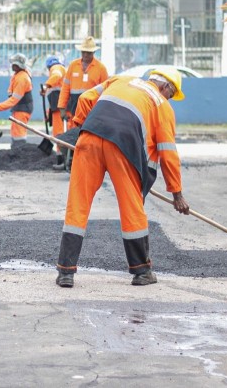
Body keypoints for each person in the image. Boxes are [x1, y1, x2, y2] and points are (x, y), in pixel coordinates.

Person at [55, 67, 190, 289]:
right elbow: (168, 153)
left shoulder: (120, 79)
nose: (170, 99)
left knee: (77, 204)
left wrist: (82, 126)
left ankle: (65, 272)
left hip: (89, 137)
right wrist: (177, 194)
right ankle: (141, 271)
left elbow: (87, 98)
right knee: (132, 207)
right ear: (166, 87)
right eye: (172, 94)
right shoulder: (161, 105)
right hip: (123, 148)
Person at [57, 36, 109, 125]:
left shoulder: (101, 68)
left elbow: (106, 92)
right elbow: (65, 88)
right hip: (74, 109)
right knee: (73, 136)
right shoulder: (73, 65)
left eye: (88, 53)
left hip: (92, 111)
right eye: (83, 52)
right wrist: (62, 108)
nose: (85, 55)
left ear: (94, 52)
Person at [0, 53, 34, 148]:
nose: (12, 66)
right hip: (19, 108)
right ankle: (15, 149)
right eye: (13, 64)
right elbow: (11, 93)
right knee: (15, 131)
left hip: (23, 109)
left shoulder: (22, 78)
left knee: (19, 132)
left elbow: (14, 99)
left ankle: (19, 150)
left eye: (15, 65)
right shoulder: (17, 75)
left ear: (19, 66)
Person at [41, 55, 67, 170]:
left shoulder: (55, 68)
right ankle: (62, 158)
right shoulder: (61, 72)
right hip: (57, 107)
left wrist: (46, 86)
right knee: (58, 132)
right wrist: (49, 114)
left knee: (59, 133)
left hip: (59, 106)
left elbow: (56, 75)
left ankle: (62, 159)